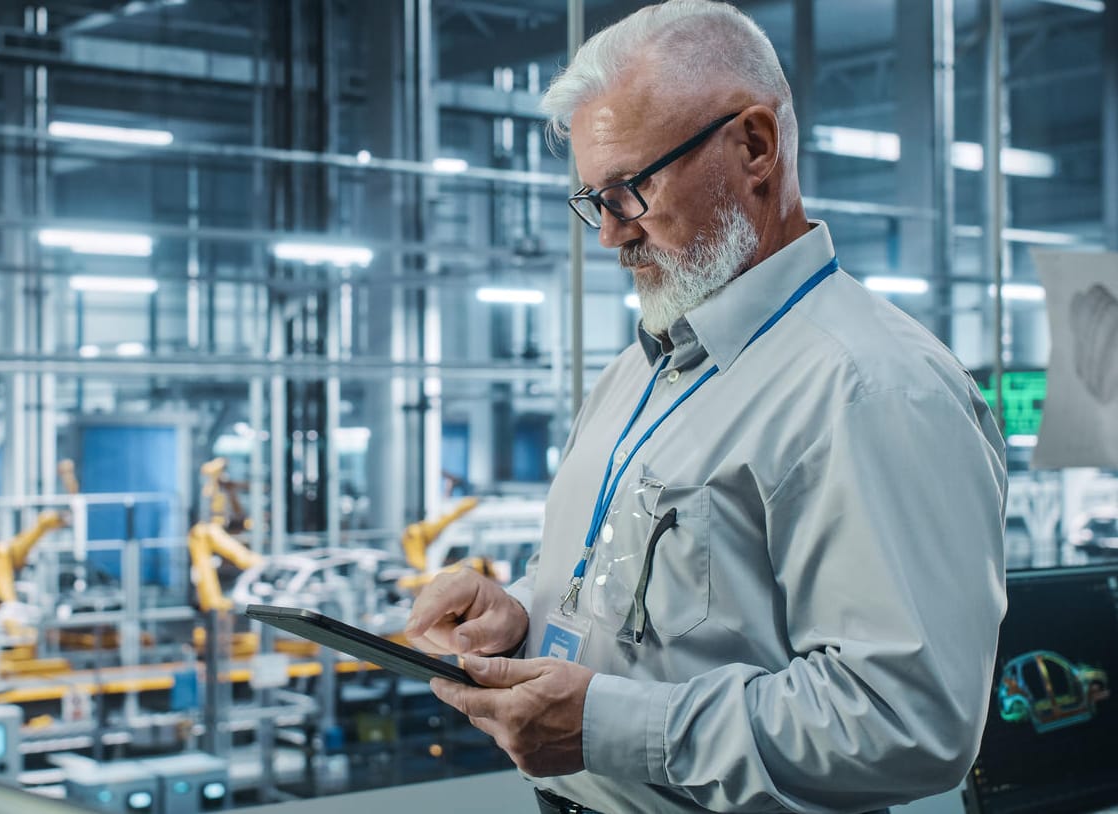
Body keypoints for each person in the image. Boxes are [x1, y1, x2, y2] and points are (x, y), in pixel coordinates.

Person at [404, 2, 1008, 812]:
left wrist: (611, 726)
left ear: (754, 146)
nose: (612, 235)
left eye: (628, 190)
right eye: (593, 200)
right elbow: (650, 606)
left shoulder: (870, 387)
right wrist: (517, 617)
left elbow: (910, 720)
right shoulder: (638, 371)